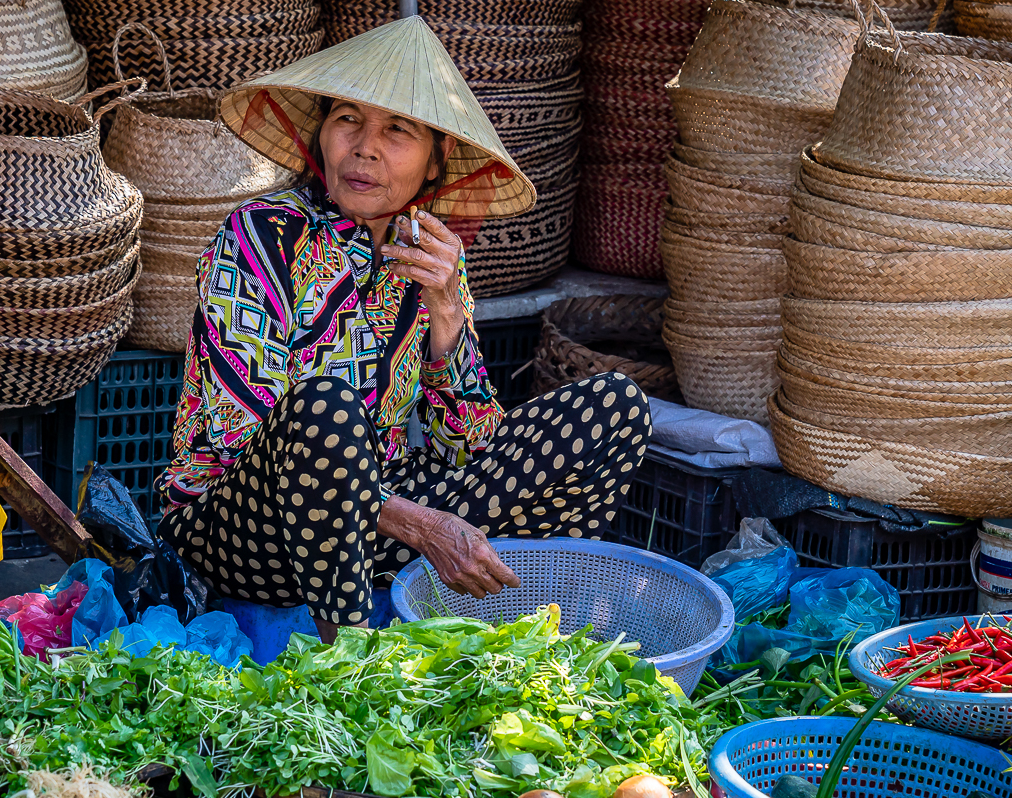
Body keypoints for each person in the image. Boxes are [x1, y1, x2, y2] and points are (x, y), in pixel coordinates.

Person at [159, 18, 651, 641]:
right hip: (247, 526)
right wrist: (424, 526)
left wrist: (446, 313)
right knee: (324, 405)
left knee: (613, 406)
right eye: (347, 120)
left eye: (398, 130)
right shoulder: (260, 237)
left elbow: (468, 452)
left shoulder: (432, 256)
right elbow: (241, 438)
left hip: (375, 519)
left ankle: (526, 622)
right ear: (321, 135)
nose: (365, 147)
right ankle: (352, 662)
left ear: (435, 162)